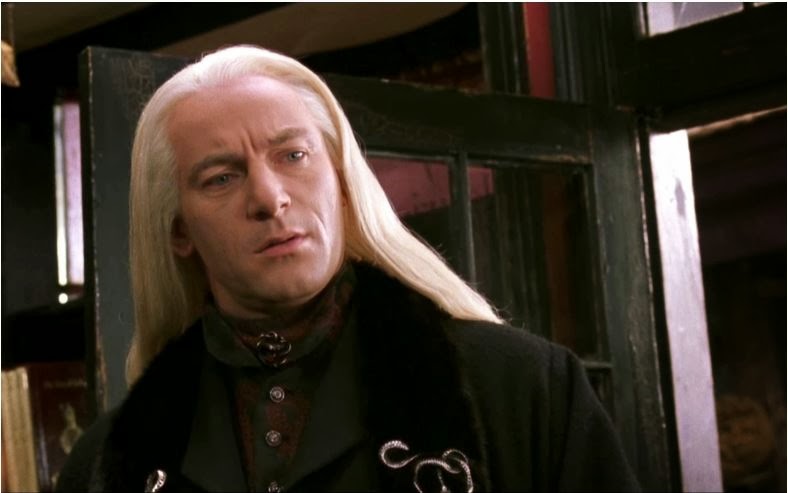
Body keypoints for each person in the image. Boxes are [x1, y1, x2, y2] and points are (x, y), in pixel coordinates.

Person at [57, 45, 640, 493]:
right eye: (222, 177)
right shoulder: (107, 463)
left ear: (340, 182)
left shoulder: (521, 389)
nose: (270, 197)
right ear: (179, 230)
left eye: (293, 155)